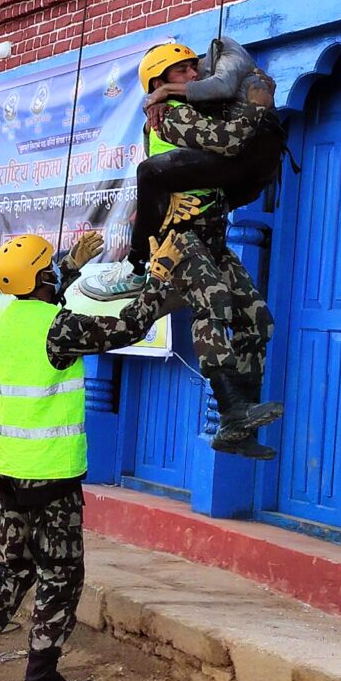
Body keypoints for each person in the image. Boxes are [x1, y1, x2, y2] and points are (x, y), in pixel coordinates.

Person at [0, 229, 183, 681]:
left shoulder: (11, 319)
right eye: (53, 265)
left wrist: (70, 266)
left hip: (13, 471)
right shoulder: (58, 327)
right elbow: (126, 328)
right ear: (45, 275)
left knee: (15, 565)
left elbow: (42, 298)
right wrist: (161, 278)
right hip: (53, 476)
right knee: (61, 577)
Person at [104, 40, 286, 460]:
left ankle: (239, 425)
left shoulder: (197, 105)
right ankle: (230, 406)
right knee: (214, 302)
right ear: (159, 83)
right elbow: (228, 143)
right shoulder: (171, 115)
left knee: (258, 321)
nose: (192, 75)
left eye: (192, 67)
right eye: (180, 72)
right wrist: (257, 107)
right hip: (180, 236)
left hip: (213, 235)